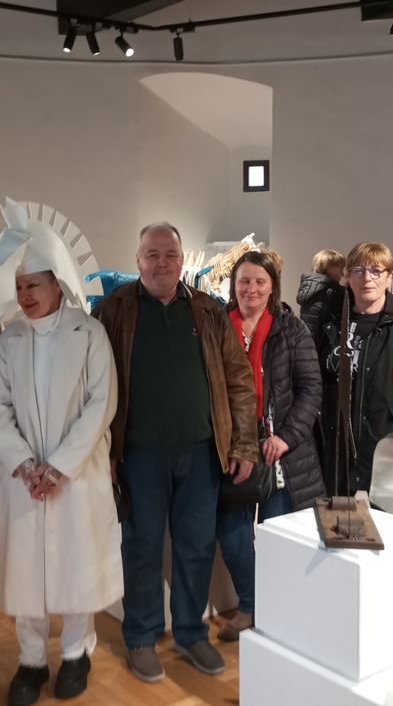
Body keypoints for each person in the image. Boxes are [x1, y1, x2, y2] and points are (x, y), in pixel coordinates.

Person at [93, 222, 258, 684]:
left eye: (170, 255)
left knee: (197, 547)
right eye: (152, 254)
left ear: (182, 260)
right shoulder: (113, 311)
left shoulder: (207, 310)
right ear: (138, 259)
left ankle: (190, 633)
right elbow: (93, 385)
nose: (162, 263)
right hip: (138, 456)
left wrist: (243, 443)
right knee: (142, 548)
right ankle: (141, 637)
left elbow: (238, 380)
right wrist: (104, 451)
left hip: (202, 455)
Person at [0, 262, 121, 706]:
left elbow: (102, 402)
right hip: (24, 479)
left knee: (76, 563)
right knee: (25, 567)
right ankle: (31, 660)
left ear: (56, 286)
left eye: (34, 285)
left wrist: (60, 465)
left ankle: (77, 653)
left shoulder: (89, 333)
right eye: (19, 286)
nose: (25, 294)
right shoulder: (12, 337)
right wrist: (24, 463)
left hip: (76, 474)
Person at [215, 250, 324, 643]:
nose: (252, 289)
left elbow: (311, 389)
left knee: (277, 537)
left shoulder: (292, 329)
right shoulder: (216, 327)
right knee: (232, 535)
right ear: (233, 284)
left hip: (281, 453)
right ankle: (251, 604)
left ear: (272, 286)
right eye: (244, 281)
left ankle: (277, 611)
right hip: (232, 449)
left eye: (260, 281)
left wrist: (286, 437)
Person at [316, 242, 393, 498]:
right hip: (338, 459)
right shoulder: (330, 325)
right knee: (339, 523)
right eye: (359, 270)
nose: (367, 278)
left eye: (376, 270)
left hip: (391, 458)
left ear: (389, 277)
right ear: (347, 277)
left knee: (390, 524)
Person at [297, 249, 345, 337]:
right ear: (328, 268)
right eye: (340, 268)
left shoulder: (315, 290)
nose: (342, 274)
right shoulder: (326, 293)